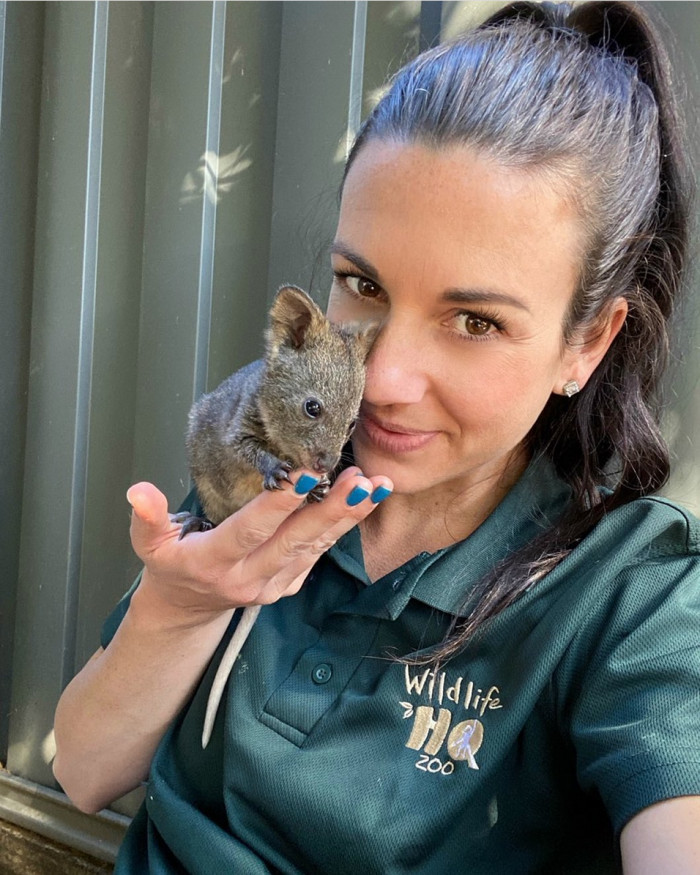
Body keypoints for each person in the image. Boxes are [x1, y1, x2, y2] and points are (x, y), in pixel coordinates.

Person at [53, 2, 700, 872]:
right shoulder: (274, 467)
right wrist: (183, 604)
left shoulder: (632, 598)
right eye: (362, 283)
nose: (383, 382)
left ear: (586, 342)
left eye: (473, 320)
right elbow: (86, 771)